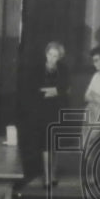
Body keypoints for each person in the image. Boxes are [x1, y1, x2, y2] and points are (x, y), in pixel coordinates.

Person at [24, 41, 70, 187]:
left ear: (59, 57)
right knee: (45, 144)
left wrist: (52, 91)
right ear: (46, 54)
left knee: (54, 145)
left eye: (55, 56)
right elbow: (33, 90)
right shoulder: (37, 69)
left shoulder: (63, 69)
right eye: (50, 54)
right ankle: (47, 178)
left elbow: (66, 89)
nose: (51, 58)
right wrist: (55, 91)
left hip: (57, 110)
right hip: (41, 111)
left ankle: (53, 174)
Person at [83, 46, 100, 148]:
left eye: (97, 60)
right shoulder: (96, 76)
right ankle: (86, 150)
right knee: (90, 109)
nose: (94, 64)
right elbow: (86, 96)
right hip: (94, 110)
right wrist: (97, 97)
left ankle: (88, 143)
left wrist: (94, 95)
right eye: (93, 61)